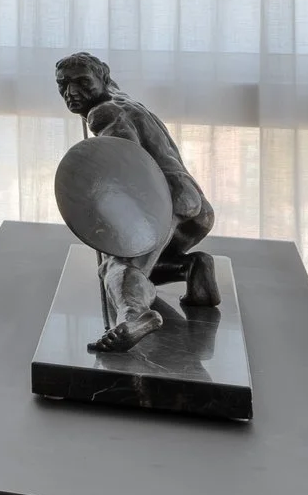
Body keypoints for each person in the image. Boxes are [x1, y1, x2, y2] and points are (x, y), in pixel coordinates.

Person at [54, 53, 218, 350]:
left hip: (162, 198)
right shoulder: (124, 100)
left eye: (81, 82)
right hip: (194, 204)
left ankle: (134, 316)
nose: (71, 92)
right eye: (63, 85)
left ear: (102, 78)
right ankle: (194, 270)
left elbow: (127, 168)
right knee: (147, 263)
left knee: (117, 268)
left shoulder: (102, 113)